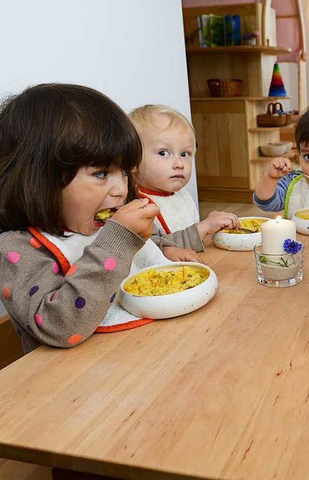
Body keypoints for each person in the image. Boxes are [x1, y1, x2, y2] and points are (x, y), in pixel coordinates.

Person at [0, 83, 192, 353]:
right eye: (102, 174)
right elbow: (60, 326)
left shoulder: (104, 215)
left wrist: (166, 245)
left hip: (146, 351)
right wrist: (117, 243)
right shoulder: (17, 249)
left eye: (125, 173)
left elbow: (150, 247)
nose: (121, 189)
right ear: (40, 179)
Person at [129, 105, 239, 257]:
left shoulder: (180, 194)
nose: (179, 163)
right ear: (133, 161)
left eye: (185, 154)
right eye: (163, 153)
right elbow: (157, 251)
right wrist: (204, 227)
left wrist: (210, 224)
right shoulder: (136, 205)